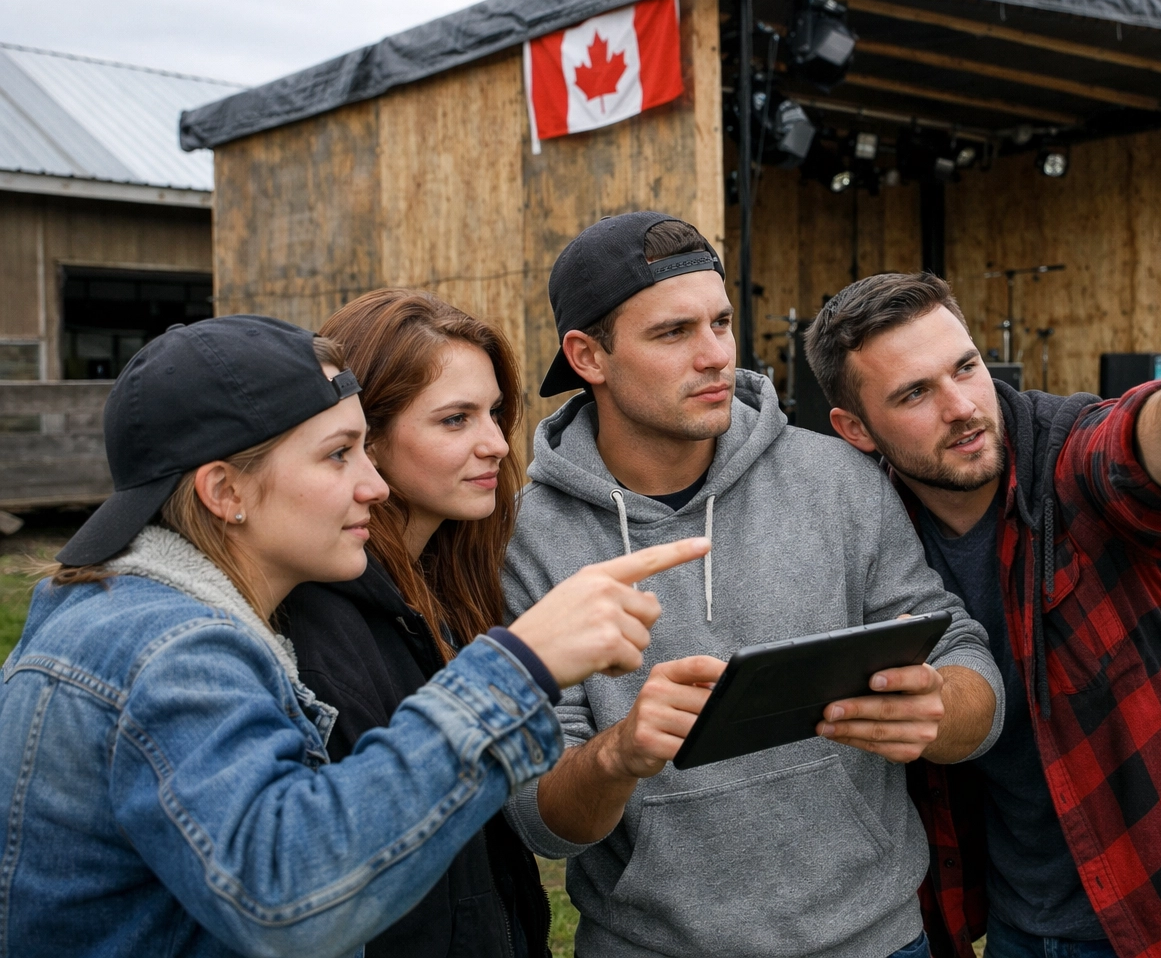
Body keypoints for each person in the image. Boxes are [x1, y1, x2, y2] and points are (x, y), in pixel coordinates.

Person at [0, 314, 708, 957]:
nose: (374, 485)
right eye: (339, 454)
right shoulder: (169, 650)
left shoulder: (155, 621)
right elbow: (289, 899)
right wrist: (519, 668)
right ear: (225, 492)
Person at [500, 212, 1004, 958]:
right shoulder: (527, 540)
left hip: (878, 939)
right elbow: (540, 821)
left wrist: (941, 705)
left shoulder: (837, 478)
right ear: (588, 356)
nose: (714, 356)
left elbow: (961, 654)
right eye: (673, 333)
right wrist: (618, 754)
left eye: (721, 322)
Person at [804, 272, 1161, 958]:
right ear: (855, 429)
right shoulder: (874, 532)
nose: (963, 407)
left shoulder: (1066, 453)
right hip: (1025, 921)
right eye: (915, 393)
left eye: (966, 367)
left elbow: (1140, 457)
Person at [277, 289, 553, 957]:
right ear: (362, 435)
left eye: (495, 413)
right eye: (455, 419)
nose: (496, 444)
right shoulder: (321, 620)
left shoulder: (452, 581)